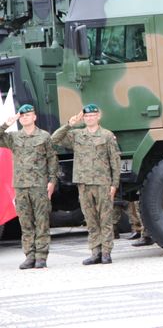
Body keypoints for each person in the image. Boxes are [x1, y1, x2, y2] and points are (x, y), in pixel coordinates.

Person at [52, 104, 121, 265]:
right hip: (84, 184)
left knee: (105, 218)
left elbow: (115, 161)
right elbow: (54, 139)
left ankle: (106, 252)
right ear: (83, 118)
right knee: (90, 219)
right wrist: (69, 124)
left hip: (102, 182)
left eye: (92, 115)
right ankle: (95, 251)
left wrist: (114, 184)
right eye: (87, 116)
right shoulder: (77, 135)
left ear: (98, 116)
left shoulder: (107, 135)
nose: (90, 118)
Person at [0, 104, 58, 269]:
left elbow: (52, 160)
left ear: (34, 117)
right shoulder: (14, 137)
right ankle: (29, 256)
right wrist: (6, 124)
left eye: (28, 115)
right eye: (22, 116)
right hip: (21, 186)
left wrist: (52, 181)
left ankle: (41, 256)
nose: (25, 118)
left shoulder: (44, 137)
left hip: (39, 186)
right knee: (25, 223)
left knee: (41, 222)